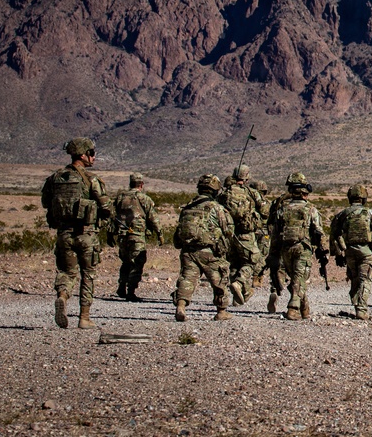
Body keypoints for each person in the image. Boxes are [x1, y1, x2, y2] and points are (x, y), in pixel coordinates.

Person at [41, 137, 114, 329]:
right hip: (86, 235)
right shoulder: (91, 180)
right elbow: (106, 206)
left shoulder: (55, 178)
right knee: (88, 274)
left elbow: (46, 203)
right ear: (82, 155)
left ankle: (63, 296)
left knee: (67, 271)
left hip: (64, 234)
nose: (94, 157)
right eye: (91, 153)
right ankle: (84, 317)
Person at [172, 174, 235, 322]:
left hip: (188, 251)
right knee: (219, 280)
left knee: (187, 279)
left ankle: (181, 305)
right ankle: (221, 311)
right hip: (209, 252)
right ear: (215, 190)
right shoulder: (216, 208)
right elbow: (229, 230)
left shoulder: (188, 207)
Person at [330, 184, 372, 320]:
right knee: (365, 279)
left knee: (354, 278)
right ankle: (361, 309)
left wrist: (337, 254)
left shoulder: (342, 214)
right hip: (366, 251)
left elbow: (334, 234)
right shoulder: (369, 213)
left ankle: (356, 305)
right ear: (364, 198)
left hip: (349, 251)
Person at [268, 172, 327, 320]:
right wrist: (322, 249)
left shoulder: (282, 209)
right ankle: (292, 308)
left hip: (286, 249)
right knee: (299, 279)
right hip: (303, 248)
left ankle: (304, 308)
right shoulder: (310, 209)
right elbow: (319, 231)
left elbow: (275, 234)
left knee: (296, 279)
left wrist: (273, 254)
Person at [219, 164, 268, 307]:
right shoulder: (251, 192)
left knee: (234, 264)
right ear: (247, 177)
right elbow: (265, 211)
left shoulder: (223, 193)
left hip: (228, 235)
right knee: (252, 262)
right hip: (246, 234)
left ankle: (239, 295)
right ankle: (240, 283)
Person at [112, 172, 163, 301]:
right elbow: (153, 218)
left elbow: (112, 216)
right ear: (141, 184)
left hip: (122, 235)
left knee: (126, 262)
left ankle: (122, 286)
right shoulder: (143, 199)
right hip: (137, 235)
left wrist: (110, 233)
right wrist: (160, 233)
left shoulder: (120, 197)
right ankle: (131, 292)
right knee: (137, 263)